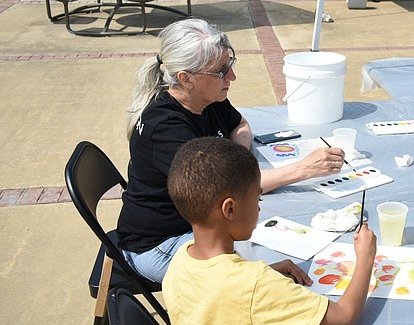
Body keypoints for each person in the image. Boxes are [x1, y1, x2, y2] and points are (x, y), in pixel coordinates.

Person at [117, 17, 345, 283]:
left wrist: (236, 161)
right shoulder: (167, 130)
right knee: (274, 271)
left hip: (198, 226)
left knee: (276, 245)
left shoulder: (205, 97)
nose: (232, 77)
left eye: (230, 65)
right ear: (186, 78)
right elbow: (232, 190)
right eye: (221, 71)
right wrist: (303, 169)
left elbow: (240, 124)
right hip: (159, 244)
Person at [163, 137, 377, 325]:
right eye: (258, 198)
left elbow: (218, 298)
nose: (260, 207)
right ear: (230, 209)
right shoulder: (254, 284)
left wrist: (268, 274)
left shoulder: (183, 257)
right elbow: (345, 317)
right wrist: (366, 258)